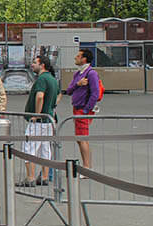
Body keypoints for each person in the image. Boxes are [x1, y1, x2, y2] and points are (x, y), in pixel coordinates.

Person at [18, 54, 60, 187]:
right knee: (45, 148)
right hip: (48, 120)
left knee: (29, 147)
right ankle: (45, 176)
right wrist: (52, 107)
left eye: (35, 63)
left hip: (38, 121)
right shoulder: (52, 79)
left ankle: (30, 177)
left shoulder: (42, 79)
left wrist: (36, 114)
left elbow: (40, 96)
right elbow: (59, 94)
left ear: (42, 65)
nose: (32, 65)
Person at [65, 49, 100, 173]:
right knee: (80, 138)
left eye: (78, 56)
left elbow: (95, 93)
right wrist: (78, 84)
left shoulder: (91, 74)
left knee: (82, 138)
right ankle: (86, 165)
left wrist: (86, 110)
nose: (76, 58)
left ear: (84, 59)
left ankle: (87, 167)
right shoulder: (78, 74)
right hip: (77, 108)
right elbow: (69, 90)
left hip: (82, 110)